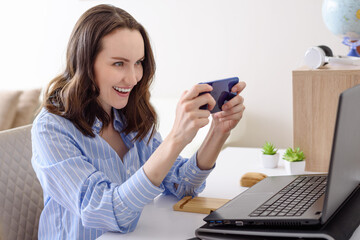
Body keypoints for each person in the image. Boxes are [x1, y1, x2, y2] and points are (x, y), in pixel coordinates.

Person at [31, 4, 246, 240]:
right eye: (118, 63)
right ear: (85, 63)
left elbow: (180, 185)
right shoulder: (52, 129)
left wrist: (219, 131)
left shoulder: (129, 115)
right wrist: (175, 138)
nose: (133, 77)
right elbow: (106, 211)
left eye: (139, 62)